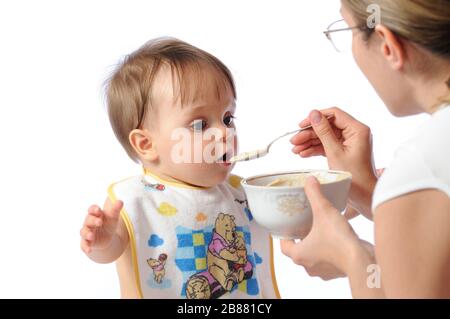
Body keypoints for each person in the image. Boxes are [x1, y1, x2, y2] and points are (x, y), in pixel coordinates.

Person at [79, 38, 280, 299]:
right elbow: (111, 250)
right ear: (146, 144)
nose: (224, 132)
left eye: (227, 118)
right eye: (200, 125)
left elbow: (285, 224)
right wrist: (102, 243)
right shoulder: (134, 200)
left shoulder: (241, 194)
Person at [282, 0, 450, 298]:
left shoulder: (419, 166)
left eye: (348, 29)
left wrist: (352, 257)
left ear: (388, 45)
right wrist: (374, 196)